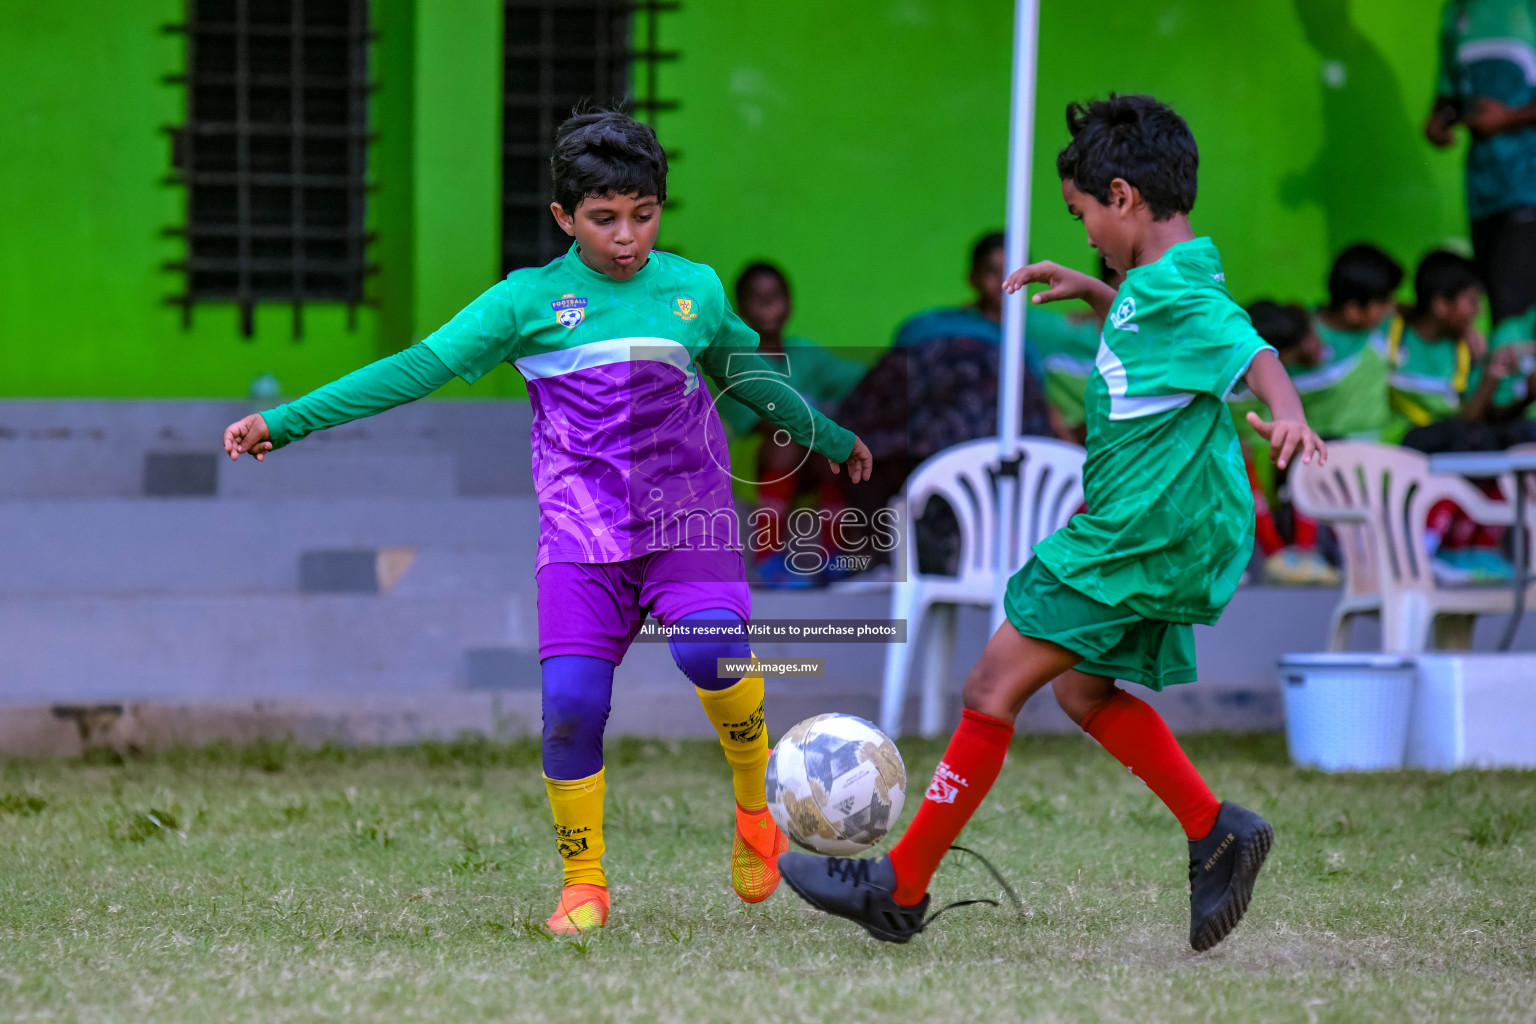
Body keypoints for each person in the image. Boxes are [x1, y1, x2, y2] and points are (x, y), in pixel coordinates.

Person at [220, 109, 873, 934]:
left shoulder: (694, 290)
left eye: (644, 214)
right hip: (583, 537)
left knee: (713, 648)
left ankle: (754, 803)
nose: (628, 237)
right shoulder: (525, 302)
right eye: (605, 219)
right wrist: (288, 420)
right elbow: (416, 368)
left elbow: (749, 378)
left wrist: (829, 435)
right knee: (569, 703)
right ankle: (584, 885)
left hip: (687, 520)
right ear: (565, 218)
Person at [778, 95, 1326, 952]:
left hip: (1139, 530)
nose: (1084, 236)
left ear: (1122, 196)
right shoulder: (1161, 282)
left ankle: (901, 887)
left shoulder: (1179, 291)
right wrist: (1100, 291)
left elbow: (1248, 348)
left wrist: (1287, 411)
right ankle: (1215, 828)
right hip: (1159, 524)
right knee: (1079, 688)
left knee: (990, 689)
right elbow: (1168, 335)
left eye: (1083, 220)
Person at [713, 262, 867, 583]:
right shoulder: (733, 359)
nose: (769, 303)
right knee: (786, 439)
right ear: (740, 308)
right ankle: (768, 555)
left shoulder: (806, 354)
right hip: (751, 461)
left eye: (776, 295)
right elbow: (762, 426)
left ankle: (835, 554)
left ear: (790, 302)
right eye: (758, 297)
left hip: (807, 453)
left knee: (832, 453)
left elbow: (859, 379)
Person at [1425, 0, 1536, 325]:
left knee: (1514, 313)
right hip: (1482, 188)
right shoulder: (1457, 10)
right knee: (1497, 307)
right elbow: (1447, 94)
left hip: (1529, 185)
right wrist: (1439, 120)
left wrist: (1509, 117)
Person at [1230, 302, 1338, 586]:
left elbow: (1316, 345)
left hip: (1274, 452)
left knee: (1307, 448)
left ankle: (1305, 552)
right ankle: (1275, 557)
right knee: (1237, 455)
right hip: (1233, 457)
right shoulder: (1225, 370)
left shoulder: (1287, 365)